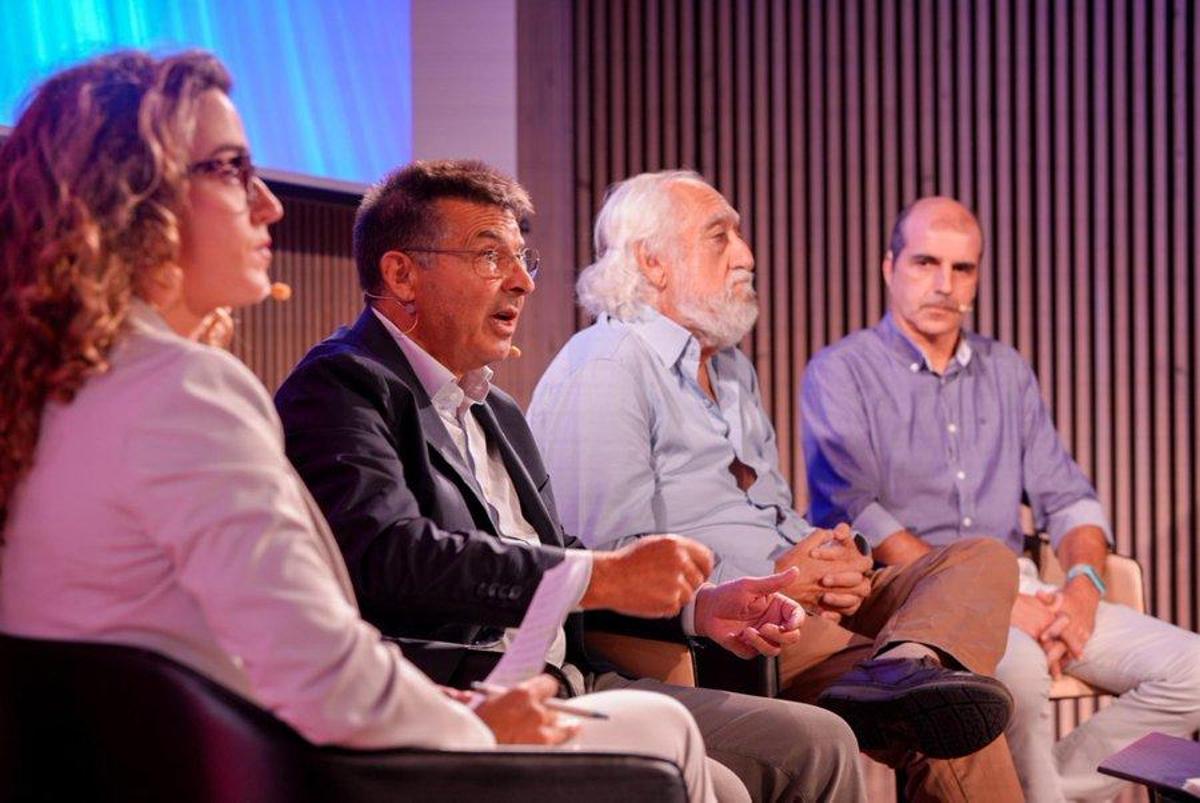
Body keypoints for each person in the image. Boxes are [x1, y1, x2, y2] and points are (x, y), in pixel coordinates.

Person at [0, 52, 722, 801]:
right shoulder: (186, 392)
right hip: (312, 773)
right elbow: (316, 664)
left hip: (223, 757)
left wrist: (453, 706)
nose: (269, 203)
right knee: (659, 729)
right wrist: (479, 725)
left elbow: (249, 653)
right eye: (231, 168)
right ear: (131, 199)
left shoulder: (60, 393)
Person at [274, 159, 866, 803]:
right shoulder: (343, 386)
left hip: (575, 676)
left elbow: (563, 557)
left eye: (524, 257)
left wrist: (702, 608)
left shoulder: (496, 410)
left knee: (820, 740)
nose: (523, 281)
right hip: (467, 694)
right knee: (712, 779)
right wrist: (599, 574)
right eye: (488, 255)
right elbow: (390, 554)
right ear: (401, 274)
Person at [527, 170, 1023, 802]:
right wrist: (781, 580)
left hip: (808, 600)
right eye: (719, 236)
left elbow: (774, 510)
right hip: (740, 630)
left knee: (982, 558)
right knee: (953, 714)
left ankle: (905, 667)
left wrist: (839, 558)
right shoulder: (605, 364)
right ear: (652, 261)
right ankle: (908, 679)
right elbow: (608, 561)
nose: (747, 253)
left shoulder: (731, 366)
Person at [799, 195, 1200, 802]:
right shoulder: (840, 371)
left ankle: (1044, 794)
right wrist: (1000, 602)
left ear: (977, 277)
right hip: (920, 600)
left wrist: (1083, 588)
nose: (943, 284)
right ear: (889, 267)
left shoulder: (1005, 370)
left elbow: (1069, 497)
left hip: (1032, 592)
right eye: (925, 263)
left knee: (1191, 669)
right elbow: (858, 511)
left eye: (962, 269)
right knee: (1019, 671)